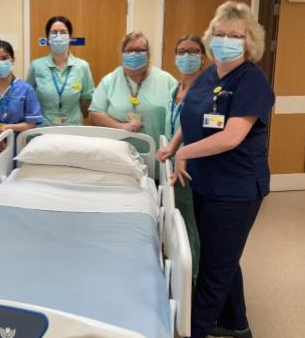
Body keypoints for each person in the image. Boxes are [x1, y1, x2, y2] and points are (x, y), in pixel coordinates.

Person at [161, 2, 275, 338]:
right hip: (206, 182)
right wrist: (173, 143)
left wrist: (184, 153)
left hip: (236, 189)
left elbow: (232, 136)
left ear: (249, 41)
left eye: (235, 36)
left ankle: (193, 331)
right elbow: (192, 115)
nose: (227, 40)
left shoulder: (251, 80)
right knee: (222, 256)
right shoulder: (211, 74)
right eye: (221, 34)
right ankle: (236, 324)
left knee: (214, 267)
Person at [88, 31, 178, 176]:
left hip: (158, 158)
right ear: (122, 54)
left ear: (148, 54)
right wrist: (121, 127)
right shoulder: (110, 81)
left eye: (140, 50)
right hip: (118, 160)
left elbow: (180, 116)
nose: (134, 54)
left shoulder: (166, 80)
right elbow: (94, 115)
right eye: (129, 50)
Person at [156, 35, 206, 284]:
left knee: (191, 229)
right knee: (179, 222)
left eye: (193, 51)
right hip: (172, 165)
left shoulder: (206, 90)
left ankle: (192, 281)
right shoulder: (176, 88)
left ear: (203, 57)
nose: (187, 56)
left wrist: (181, 153)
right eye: (182, 51)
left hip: (192, 166)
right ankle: (181, 273)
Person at [26, 16, 95, 126]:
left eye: (63, 32)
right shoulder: (36, 66)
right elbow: (28, 98)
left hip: (73, 128)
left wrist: (72, 116)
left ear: (70, 37)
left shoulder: (82, 66)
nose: (58, 36)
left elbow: (87, 100)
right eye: (54, 32)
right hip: (44, 129)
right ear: (47, 39)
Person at [0, 40, 42, 152]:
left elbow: (31, 124)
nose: (1, 62)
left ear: (13, 59)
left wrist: (9, 128)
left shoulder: (25, 89)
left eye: (5, 58)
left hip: (16, 146)